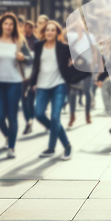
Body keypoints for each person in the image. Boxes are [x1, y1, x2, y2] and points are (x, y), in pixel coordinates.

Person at [30, 20, 89, 159]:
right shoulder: (38, 46)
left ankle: (52, 147)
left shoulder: (64, 48)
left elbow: (82, 61)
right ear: (44, 32)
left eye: (52, 30)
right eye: (47, 30)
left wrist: (71, 70)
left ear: (57, 33)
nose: (49, 32)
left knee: (55, 117)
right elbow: (35, 65)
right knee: (39, 114)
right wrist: (33, 83)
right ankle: (66, 143)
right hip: (42, 86)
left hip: (59, 85)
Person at [0, 13, 32, 158]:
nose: (8, 26)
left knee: (12, 115)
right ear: (1, 25)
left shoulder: (19, 41)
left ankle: (12, 147)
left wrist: (23, 57)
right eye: (5, 23)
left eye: (11, 24)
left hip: (15, 82)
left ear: (14, 27)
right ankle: (9, 135)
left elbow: (31, 59)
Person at [21, 20, 38, 134]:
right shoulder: (20, 40)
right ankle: (29, 121)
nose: (28, 29)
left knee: (30, 99)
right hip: (22, 73)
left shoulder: (36, 41)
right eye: (26, 27)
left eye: (30, 27)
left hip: (32, 72)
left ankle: (31, 118)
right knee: (23, 98)